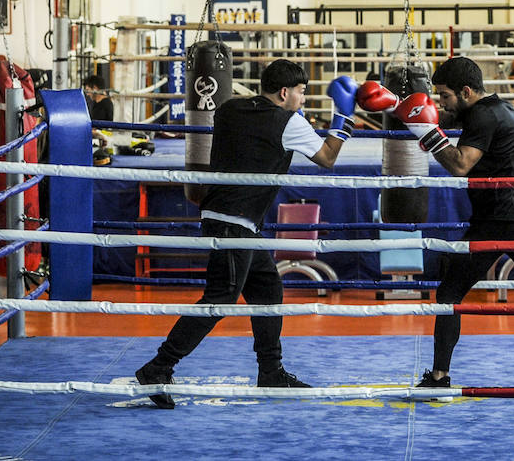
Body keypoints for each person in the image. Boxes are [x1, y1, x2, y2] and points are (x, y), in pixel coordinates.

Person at [357, 56, 514, 389]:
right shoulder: (500, 108)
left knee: (450, 292)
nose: (441, 103)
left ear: (465, 92)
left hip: (497, 221)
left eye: (446, 96)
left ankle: (439, 377)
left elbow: (461, 164)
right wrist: (398, 103)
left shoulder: (481, 117)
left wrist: (426, 130)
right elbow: (463, 133)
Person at [134, 61, 356, 408]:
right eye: (300, 92)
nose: (302, 99)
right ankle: (158, 367)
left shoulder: (228, 109)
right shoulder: (289, 121)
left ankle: (271, 372)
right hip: (235, 222)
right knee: (219, 299)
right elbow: (327, 157)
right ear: (284, 92)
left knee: (267, 289)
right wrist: (345, 117)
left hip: (223, 214)